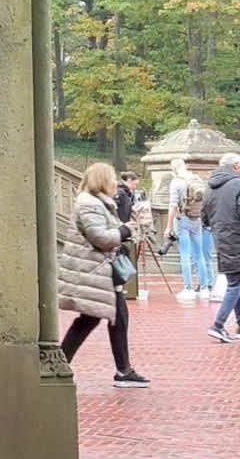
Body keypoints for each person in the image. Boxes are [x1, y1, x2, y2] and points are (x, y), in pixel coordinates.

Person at [59, 161, 149, 387]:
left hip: (100, 272)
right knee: (91, 319)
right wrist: (124, 230)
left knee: (115, 317)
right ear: (101, 180)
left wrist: (125, 229)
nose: (115, 183)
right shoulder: (91, 205)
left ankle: (123, 370)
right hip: (94, 271)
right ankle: (61, 363)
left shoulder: (98, 203)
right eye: (111, 178)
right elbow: (101, 238)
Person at [164, 156, 213, 303]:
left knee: (185, 254)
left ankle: (188, 288)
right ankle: (204, 288)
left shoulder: (177, 182)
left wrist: (168, 226)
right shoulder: (196, 178)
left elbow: (172, 205)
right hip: (196, 219)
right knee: (199, 254)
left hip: (183, 219)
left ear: (173, 168)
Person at [203, 152, 240, 343]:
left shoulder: (209, 188)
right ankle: (218, 325)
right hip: (236, 239)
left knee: (236, 281)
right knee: (235, 285)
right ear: (235, 166)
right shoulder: (237, 184)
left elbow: (204, 217)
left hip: (221, 240)